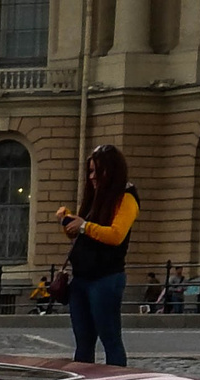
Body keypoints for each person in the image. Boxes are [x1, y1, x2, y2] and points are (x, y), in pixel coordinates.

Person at [56, 146, 139, 367]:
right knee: (83, 342)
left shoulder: (126, 198)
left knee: (110, 338)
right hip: (81, 278)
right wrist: (69, 224)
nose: (91, 177)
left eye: (96, 172)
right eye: (90, 172)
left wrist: (83, 226)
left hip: (106, 278)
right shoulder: (95, 199)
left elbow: (116, 235)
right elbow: (83, 237)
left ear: (111, 172)